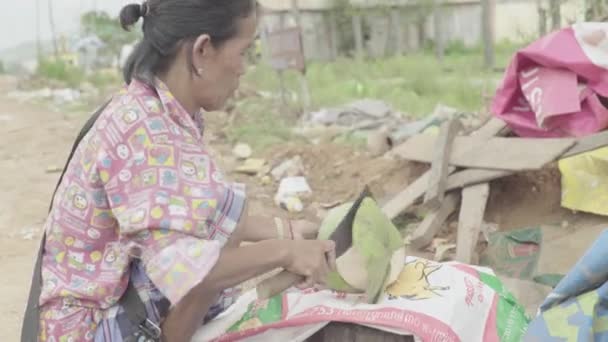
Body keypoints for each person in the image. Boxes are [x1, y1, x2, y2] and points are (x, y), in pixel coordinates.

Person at [34, 1, 336, 341]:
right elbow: (189, 269)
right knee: (205, 253)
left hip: (120, 303)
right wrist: (285, 251)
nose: (244, 69)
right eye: (244, 52)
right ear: (202, 51)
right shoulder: (144, 132)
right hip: (90, 330)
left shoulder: (162, 111)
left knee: (213, 233)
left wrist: (289, 230)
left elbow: (194, 210)